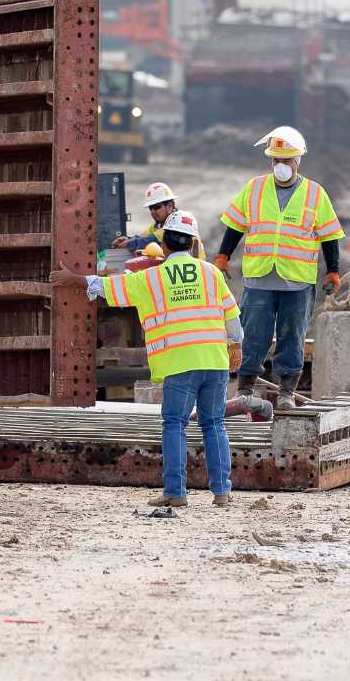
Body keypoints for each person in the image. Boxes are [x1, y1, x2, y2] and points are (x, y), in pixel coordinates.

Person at [52, 211, 243, 509]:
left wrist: (71, 279)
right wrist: (234, 349)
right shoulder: (212, 274)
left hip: (180, 364)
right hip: (215, 362)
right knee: (214, 423)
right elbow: (233, 325)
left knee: (175, 424)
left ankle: (176, 492)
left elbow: (105, 287)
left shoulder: (151, 279)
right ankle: (222, 493)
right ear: (193, 245)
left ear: (164, 244)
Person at [213, 124, 346, 402]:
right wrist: (224, 255)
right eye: (276, 160)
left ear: (297, 161)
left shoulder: (314, 193)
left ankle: (287, 391)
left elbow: (329, 236)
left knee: (291, 338)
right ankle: (246, 389)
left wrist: (333, 270)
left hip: (296, 281)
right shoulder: (255, 188)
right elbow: (236, 226)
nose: (280, 165)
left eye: (286, 160)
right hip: (259, 277)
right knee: (253, 336)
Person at [111, 181, 179, 257]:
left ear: (169, 206)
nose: (153, 211)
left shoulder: (177, 221)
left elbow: (150, 240)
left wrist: (128, 243)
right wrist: (127, 239)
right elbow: (142, 237)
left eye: (156, 207)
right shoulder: (158, 225)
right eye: (151, 208)